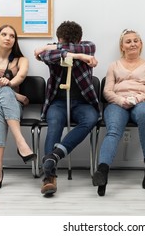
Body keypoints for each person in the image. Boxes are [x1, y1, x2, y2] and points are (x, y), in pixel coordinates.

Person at [34, 20, 99, 196]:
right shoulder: (54, 54)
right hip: (58, 103)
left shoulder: (88, 47)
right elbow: (45, 56)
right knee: (54, 123)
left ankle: (54, 156)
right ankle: (49, 176)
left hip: (83, 103)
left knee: (91, 119)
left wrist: (54, 47)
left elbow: (83, 49)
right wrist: (79, 57)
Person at [92, 29, 145, 196]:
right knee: (114, 129)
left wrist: (137, 99)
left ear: (141, 44)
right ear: (122, 46)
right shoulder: (113, 66)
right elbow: (107, 92)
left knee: (144, 116)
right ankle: (103, 172)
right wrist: (121, 101)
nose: (132, 44)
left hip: (142, 102)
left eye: (136, 41)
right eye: (128, 41)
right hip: (118, 103)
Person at [0, 24, 36, 190]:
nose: (8, 38)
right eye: (4, 34)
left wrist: (10, 83)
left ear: (15, 40)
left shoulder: (21, 60)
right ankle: (21, 143)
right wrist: (15, 94)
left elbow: (21, 76)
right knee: (2, 94)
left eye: (12, 36)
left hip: (10, 109)